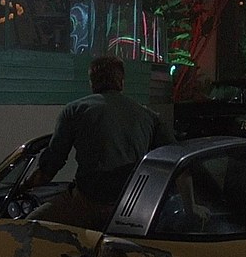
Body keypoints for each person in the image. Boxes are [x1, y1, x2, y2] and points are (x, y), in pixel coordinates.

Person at [23, 56, 176, 230]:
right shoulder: (148, 115)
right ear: (121, 82)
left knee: (29, 226)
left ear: (92, 82)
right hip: (132, 208)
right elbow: (174, 158)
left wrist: (26, 185)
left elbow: (51, 164)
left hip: (86, 203)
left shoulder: (75, 110)